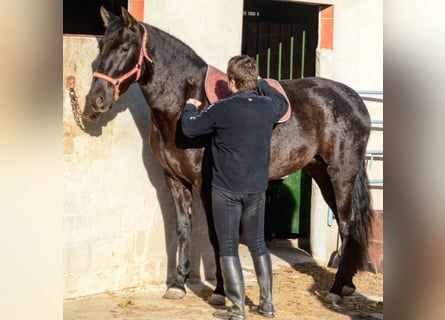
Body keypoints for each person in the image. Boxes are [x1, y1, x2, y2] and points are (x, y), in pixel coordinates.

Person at [180, 55, 288, 319]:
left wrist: (189, 107)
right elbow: (282, 102)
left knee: (228, 246)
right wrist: (261, 85)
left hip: (226, 190)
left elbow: (189, 129)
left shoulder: (222, 108)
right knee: (258, 245)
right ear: (253, 80)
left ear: (231, 81)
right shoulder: (267, 107)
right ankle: (267, 304)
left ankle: (237, 309)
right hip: (256, 190)